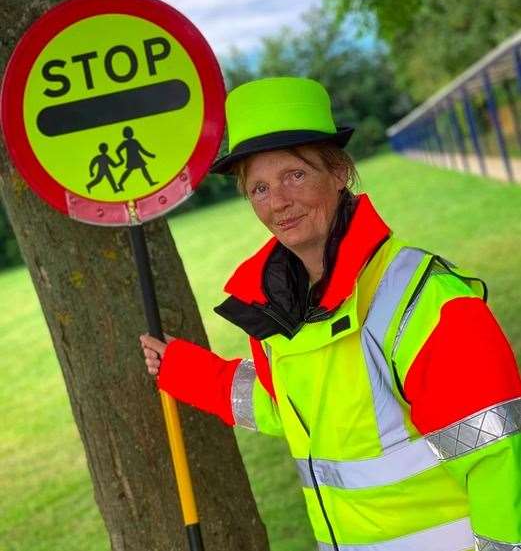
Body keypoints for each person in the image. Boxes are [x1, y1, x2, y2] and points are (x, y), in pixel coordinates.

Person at [140, 77, 521, 551]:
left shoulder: (425, 300)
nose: (277, 201)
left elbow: (501, 463)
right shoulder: (281, 310)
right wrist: (184, 370)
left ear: (339, 172)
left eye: (294, 176)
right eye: (259, 187)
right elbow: (293, 406)